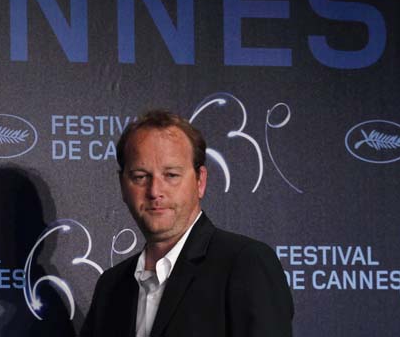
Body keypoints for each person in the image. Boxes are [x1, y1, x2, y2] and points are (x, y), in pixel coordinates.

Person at [80, 110, 293, 337]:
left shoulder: (246, 264)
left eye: (171, 175)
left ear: (200, 181)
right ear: (123, 185)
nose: (155, 191)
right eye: (141, 176)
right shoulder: (111, 287)